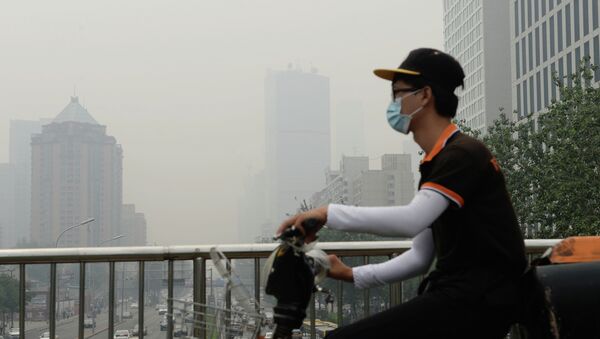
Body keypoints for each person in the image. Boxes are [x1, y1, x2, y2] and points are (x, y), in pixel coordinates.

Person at [276, 48, 527, 339]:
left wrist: (325, 213)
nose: (393, 104)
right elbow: (421, 254)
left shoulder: (462, 155)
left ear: (424, 95)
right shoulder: (437, 160)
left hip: (479, 298)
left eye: (398, 94)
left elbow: (412, 219)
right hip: (463, 295)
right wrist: (352, 274)